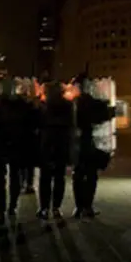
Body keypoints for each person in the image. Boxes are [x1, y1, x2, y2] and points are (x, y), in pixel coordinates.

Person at [0, 78, 34, 224]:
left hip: (16, 144)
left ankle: (11, 206)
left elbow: (30, 122)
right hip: (2, 145)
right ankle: (2, 208)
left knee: (13, 177)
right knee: (2, 178)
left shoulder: (19, 105)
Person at [72, 89, 113, 218]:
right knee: (91, 176)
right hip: (92, 144)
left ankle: (79, 207)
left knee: (78, 175)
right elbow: (104, 118)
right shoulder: (95, 104)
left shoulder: (74, 103)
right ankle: (87, 206)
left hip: (79, 145)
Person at [37, 81, 73, 222]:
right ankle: (55, 208)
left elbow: (38, 125)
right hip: (60, 145)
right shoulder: (67, 106)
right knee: (59, 177)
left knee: (46, 178)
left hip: (48, 144)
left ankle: (45, 207)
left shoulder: (44, 107)